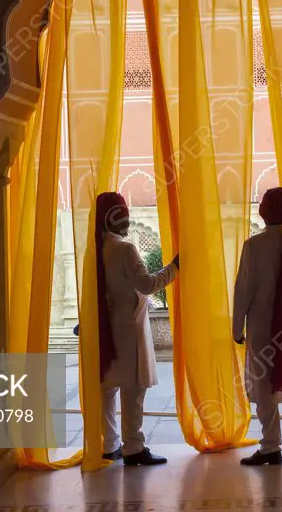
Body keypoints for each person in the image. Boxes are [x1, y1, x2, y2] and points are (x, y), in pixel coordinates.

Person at [95, 191, 179, 466]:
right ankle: (133, 446)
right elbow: (146, 285)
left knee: (107, 388)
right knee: (132, 389)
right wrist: (174, 268)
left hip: (105, 327)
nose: (128, 219)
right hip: (128, 328)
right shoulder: (124, 248)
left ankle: (108, 445)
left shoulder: (96, 249)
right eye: (122, 213)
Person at [233, 187, 282, 466]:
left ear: (263, 211)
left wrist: (237, 327)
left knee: (266, 386)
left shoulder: (253, 246)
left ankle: (270, 447)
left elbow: (243, 290)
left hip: (263, 329)